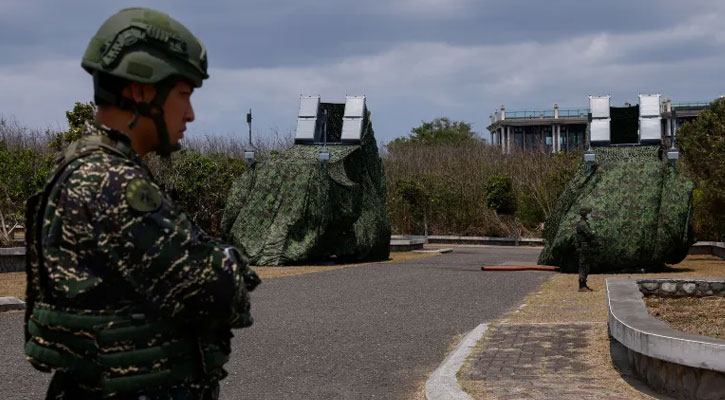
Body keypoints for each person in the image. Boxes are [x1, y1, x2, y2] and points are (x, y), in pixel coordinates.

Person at [23, 8, 260, 399]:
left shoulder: (88, 165)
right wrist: (232, 265)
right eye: (183, 95)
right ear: (142, 91)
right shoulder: (112, 181)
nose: (190, 114)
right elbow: (216, 288)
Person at [576, 207, 594, 292]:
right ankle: (581, 285)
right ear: (585, 214)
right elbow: (589, 234)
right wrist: (593, 233)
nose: (589, 214)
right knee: (583, 266)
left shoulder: (584, 223)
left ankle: (584, 285)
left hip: (585, 247)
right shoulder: (582, 224)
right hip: (584, 247)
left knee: (586, 266)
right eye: (588, 213)